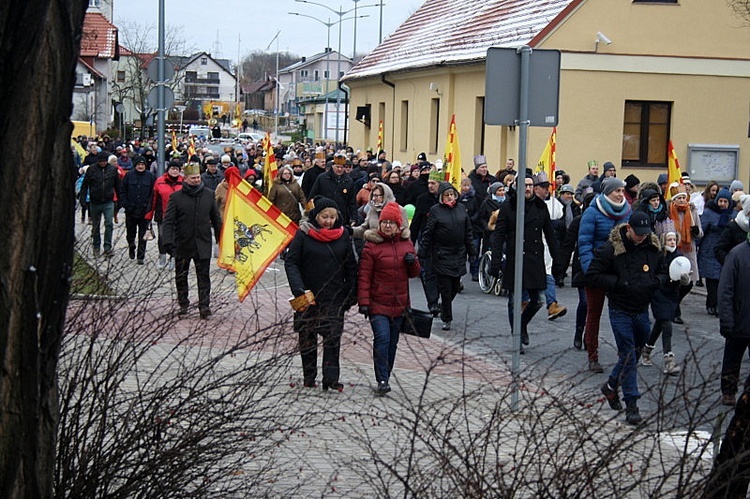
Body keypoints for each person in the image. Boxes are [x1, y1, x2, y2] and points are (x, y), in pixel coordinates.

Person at [587, 211, 668, 425]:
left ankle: (611, 386)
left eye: (645, 233)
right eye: (638, 233)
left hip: (642, 309)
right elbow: (592, 275)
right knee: (629, 354)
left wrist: (657, 281)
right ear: (628, 228)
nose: (641, 237)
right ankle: (632, 404)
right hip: (619, 309)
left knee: (635, 352)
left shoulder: (653, 248)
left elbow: (663, 270)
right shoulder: (611, 249)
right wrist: (618, 283)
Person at [284, 196, 358, 391]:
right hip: (307, 295)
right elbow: (291, 262)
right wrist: (298, 289)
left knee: (332, 339)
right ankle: (309, 376)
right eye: (325, 216)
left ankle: (331, 379)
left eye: (332, 217)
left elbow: (351, 266)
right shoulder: (303, 234)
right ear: (316, 216)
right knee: (307, 338)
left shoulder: (343, 236)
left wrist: (352, 293)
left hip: (334, 296)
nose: (328, 221)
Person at [357, 202, 421, 394]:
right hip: (378, 304)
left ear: (398, 225)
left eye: (391, 223)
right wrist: (364, 302)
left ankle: (386, 372)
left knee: (392, 343)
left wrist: (413, 262)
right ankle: (382, 378)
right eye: (384, 222)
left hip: (400, 304)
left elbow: (415, 274)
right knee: (382, 339)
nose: (387, 226)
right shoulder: (371, 246)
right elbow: (364, 276)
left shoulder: (406, 244)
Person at [491, 173, 558, 351]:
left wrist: (558, 260)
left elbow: (550, 235)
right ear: (517, 187)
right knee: (514, 301)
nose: (528, 188)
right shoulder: (508, 207)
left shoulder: (540, 206)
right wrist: (495, 262)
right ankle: (516, 338)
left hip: (535, 260)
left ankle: (521, 325)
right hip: (515, 259)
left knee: (538, 300)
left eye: (530, 185)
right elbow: (498, 236)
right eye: (525, 185)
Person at [706, 234, 750, 499]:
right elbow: (725, 290)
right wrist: (726, 319)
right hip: (738, 321)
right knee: (731, 359)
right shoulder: (737, 254)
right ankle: (728, 390)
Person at [579, 177, 632, 373]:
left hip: (620, 271)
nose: (620, 194)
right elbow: (584, 243)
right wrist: (589, 269)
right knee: (594, 313)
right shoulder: (592, 213)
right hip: (597, 270)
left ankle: (625, 354)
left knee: (622, 314)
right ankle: (593, 355)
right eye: (617, 191)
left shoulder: (628, 212)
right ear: (607, 192)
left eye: (622, 191)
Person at [161, 162, 223, 319]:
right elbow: (168, 221)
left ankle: (204, 306)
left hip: (202, 243)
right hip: (182, 243)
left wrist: (221, 239)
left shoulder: (209, 195)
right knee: (181, 276)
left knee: (204, 276)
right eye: (193, 178)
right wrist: (167, 242)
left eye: (197, 177)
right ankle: (183, 304)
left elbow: (216, 220)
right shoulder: (176, 198)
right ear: (186, 179)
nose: (196, 180)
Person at [418, 182, 476, 331]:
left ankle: (443, 306)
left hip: (459, 254)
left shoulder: (461, 209)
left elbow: (468, 233)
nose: (450, 197)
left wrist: (472, 252)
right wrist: (422, 253)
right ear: (441, 197)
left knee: (455, 286)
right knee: (445, 287)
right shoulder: (436, 211)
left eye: (452, 194)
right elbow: (428, 233)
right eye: (447, 195)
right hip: (441, 254)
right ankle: (447, 318)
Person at [641, 227, 690, 375]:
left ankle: (646, 351)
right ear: (664, 241)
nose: (672, 241)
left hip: (672, 295)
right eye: (669, 239)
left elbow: (684, 277)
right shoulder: (658, 256)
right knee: (667, 324)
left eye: (674, 239)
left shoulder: (679, 257)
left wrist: (685, 281)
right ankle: (669, 360)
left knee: (660, 324)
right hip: (658, 293)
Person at [559, 192, 596, 349]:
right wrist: (560, 270)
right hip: (581, 265)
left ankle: (590, 336)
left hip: (599, 267)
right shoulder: (578, 222)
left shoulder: (603, 221)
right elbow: (568, 246)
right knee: (585, 301)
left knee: (595, 306)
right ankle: (578, 331)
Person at [667, 183, 702, 324]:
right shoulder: (669, 211)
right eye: (679, 198)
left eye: (683, 197)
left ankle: (675, 303)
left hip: (689, 250)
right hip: (675, 249)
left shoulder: (692, 211)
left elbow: (700, 232)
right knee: (675, 281)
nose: (682, 200)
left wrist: (695, 231)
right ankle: (675, 310)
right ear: (674, 200)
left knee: (688, 283)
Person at [698, 188, 734, 316]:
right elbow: (701, 231)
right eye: (720, 201)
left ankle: (718, 304)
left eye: (725, 201)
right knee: (711, 281)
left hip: (725, 251)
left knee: (722, 280)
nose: (722, 204)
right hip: (710, 250)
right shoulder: (709, 213)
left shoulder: (733, 214)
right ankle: (711, 304)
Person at [78, 151, 121, 257]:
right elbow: (85, 185)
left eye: (105, 161)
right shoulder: (92, 169)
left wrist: (120, 200)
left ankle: (107, 247)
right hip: (95, 201)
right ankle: (96, 246)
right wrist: (82, 199)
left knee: (109, 224)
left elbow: (118, 186)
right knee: (96, 225)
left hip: (108, 200)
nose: (103, 163)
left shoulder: (113, 170)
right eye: (101, 161)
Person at [119, 156, 156, 264]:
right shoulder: (129, 176)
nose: (140, 166)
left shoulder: (150, 176)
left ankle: (141, 256)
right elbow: (123, 190)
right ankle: (131, 246)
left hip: (144, 211)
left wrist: (149, 207)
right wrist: (125, 204)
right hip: (131, 210)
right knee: (131, 233)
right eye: (139, 165)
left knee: (143, 234)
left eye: (142, 165)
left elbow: (153, 194)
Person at [309, 153, 361, 226]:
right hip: (323, 217)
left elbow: (352, 202)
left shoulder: (349, 181)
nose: (340, 169)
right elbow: (312, 197)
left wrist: (354, 218)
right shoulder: (322, 178)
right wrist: (310, 214)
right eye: (337, 167)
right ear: (332, 166)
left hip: (341, 217)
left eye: (342, 167)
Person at [715, 194, 750, 265]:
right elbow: (719, 249)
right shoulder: (733, 226)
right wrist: (730, 264)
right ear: (747, 212)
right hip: (737, 271)